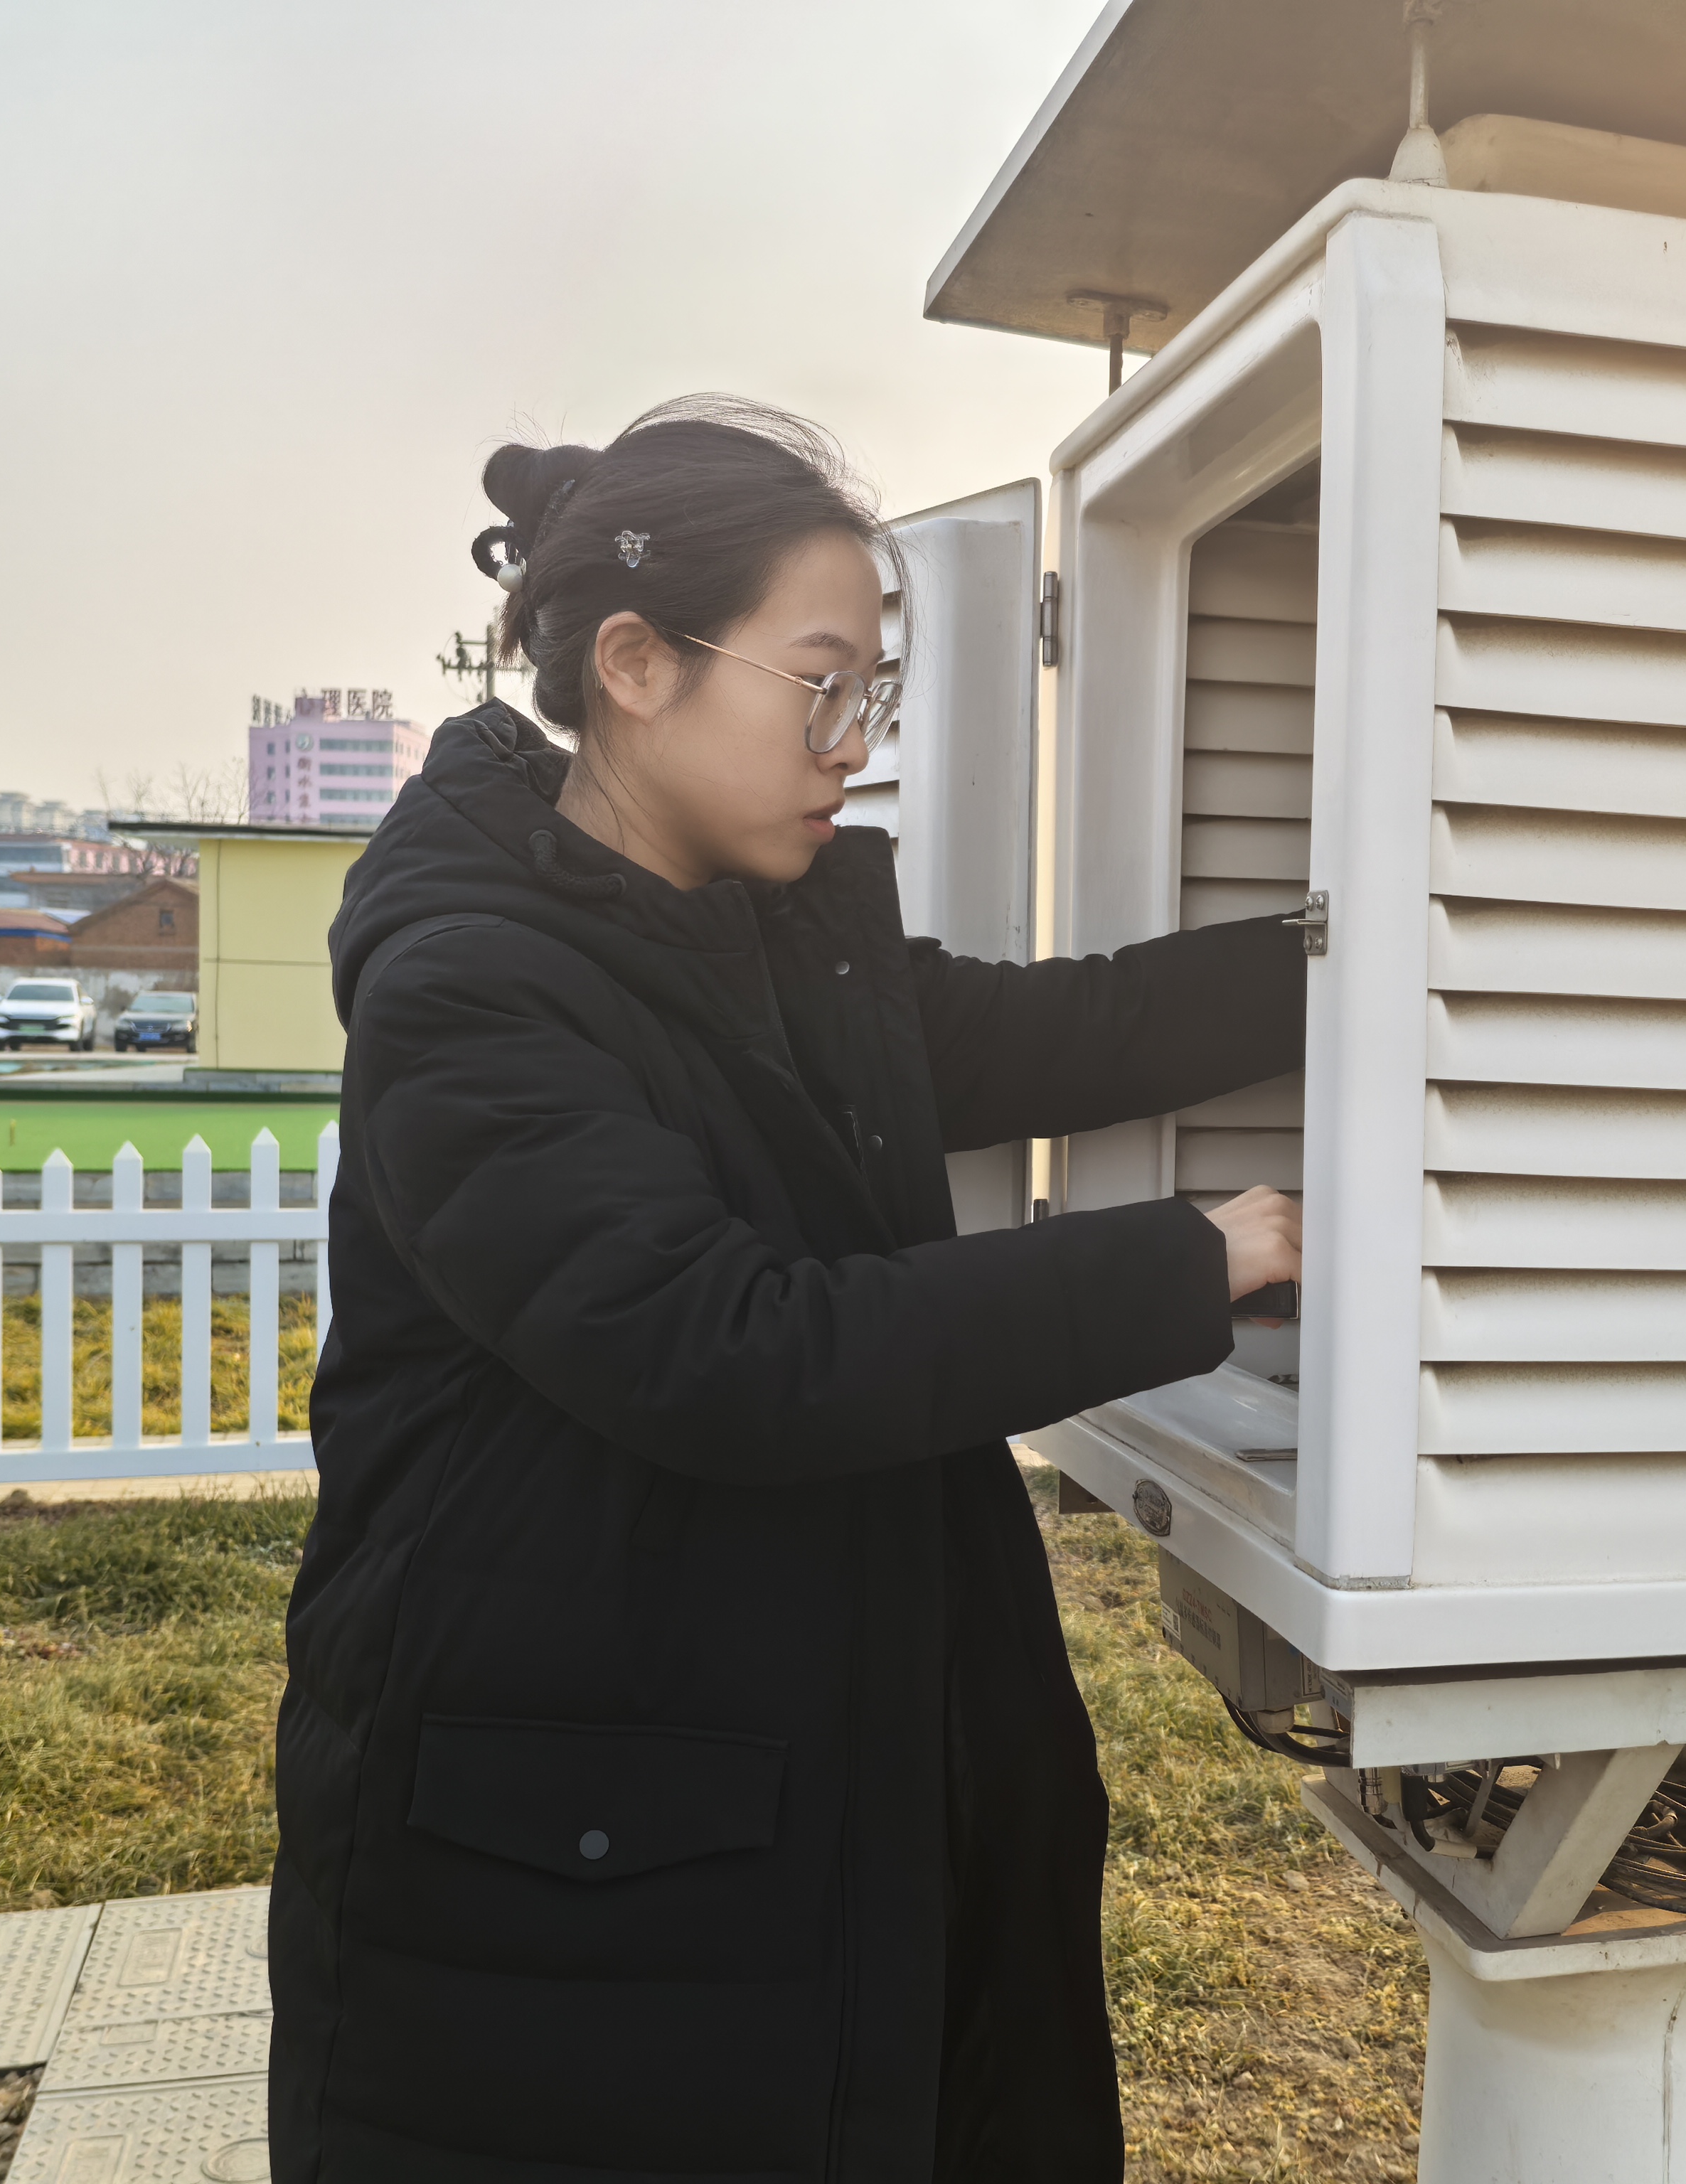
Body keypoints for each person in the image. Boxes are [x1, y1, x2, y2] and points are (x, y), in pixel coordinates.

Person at [270, 395, 1307, 2184]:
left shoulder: (777, 945)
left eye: (872, 696)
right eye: (819, 686)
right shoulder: (475, 985)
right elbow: (729, 1353)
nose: (852, 743)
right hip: (574, 1849)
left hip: (789, 1782)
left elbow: (1076, 1028)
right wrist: (1196, 1256)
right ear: (634, 666)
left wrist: (1363, 943)